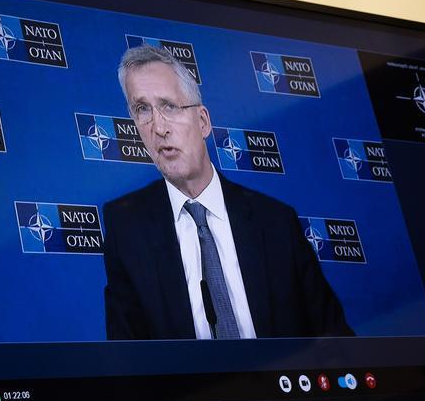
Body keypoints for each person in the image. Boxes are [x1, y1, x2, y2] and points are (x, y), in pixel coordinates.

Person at [102, 45, 352, 340]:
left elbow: (335, 340)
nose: (159, 127)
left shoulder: (276, 222)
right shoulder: (126, 229)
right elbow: (129, 362)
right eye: (143, 110)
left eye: (169, 106)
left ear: (203, 121)